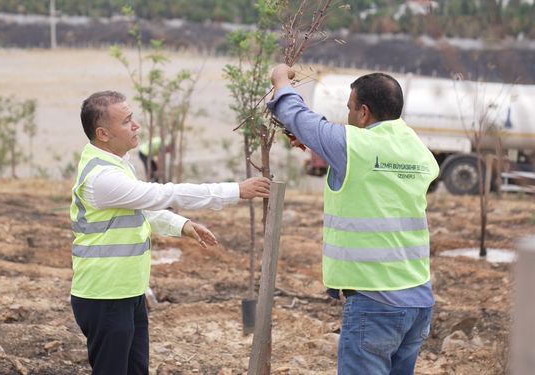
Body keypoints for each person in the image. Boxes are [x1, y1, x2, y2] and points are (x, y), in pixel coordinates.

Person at [70, 90, 271, 375]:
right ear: (103, 133)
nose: (136, 126)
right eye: (127, 121)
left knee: (136, 369)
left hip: (128, 291)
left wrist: (182, 226)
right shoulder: (101, 177)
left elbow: (141, 208)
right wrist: (235, 190)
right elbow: (162, 194)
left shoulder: (117, 163)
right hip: (104, 296)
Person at [268, 64, 439, 375]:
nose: (346, 116)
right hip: (418, 300)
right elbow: (374, 177)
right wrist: (330, 150)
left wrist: (281, 81)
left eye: (349, 109)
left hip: (376, 304)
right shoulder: (415, 146)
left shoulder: (353, 146)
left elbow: (303, 119)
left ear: (363, 112)